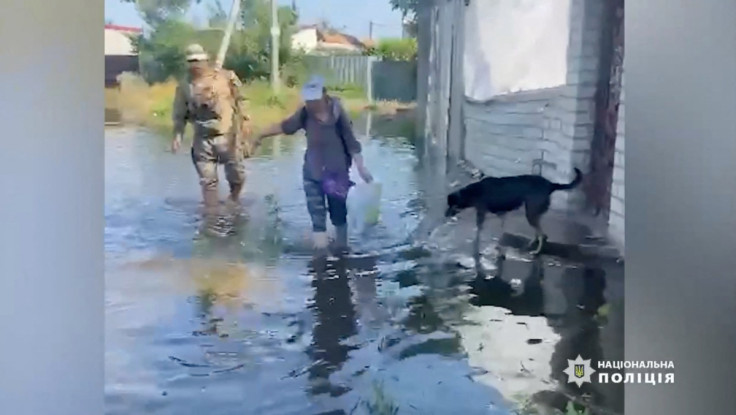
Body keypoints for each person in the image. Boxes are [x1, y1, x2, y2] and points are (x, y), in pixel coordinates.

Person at [255, 75, 373, 252]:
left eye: (314, 101)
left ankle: (342, 249)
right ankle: (321, 253)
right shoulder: (304, 114)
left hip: (336, 173)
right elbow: (285, 127)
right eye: (308, 101)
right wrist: (260, 135)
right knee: (317, 216)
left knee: (338, 213)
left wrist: (361, 167)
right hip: (312, 173)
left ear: (324, 96)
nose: (311, 105)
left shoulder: (337, 112)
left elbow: (351, 141)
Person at [171, 44, 250, 210]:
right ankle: (211, 214)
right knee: (208, 181)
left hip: (227, 136)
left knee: (237, 176)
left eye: (198, 61)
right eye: (191, 62)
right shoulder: (185, 86)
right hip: (202, 139)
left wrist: (246, 122)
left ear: (206, 60)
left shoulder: (225, 77)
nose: (195, 65)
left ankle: (234, 200)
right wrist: (177, 136)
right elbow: (180, 113)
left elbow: (242, 100)